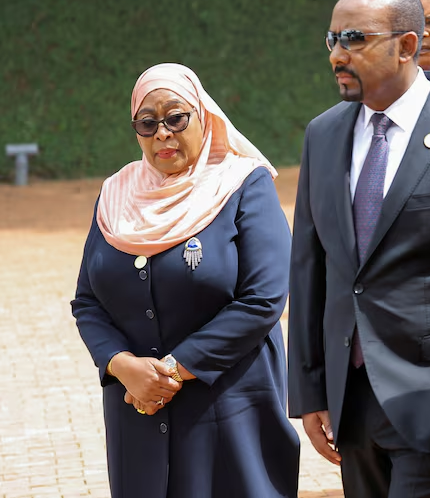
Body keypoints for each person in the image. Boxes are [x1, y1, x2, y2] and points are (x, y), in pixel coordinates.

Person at [287, 0, 430, 498]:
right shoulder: (324, 133)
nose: (337, 54)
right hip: (349, 404)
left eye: (354, 39)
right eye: (331, 40)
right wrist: (309, 389)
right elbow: (310, 267)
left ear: (406, 46)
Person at [71, 63, 299, 498]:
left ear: (203, 114)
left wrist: (171, 372)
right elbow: (87, 301)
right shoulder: (116, 194)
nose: (162, 133)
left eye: (176, 117)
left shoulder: (242, 184)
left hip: (229, 408)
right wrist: (122, 365)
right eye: (147, 122)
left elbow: (264, 298)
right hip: (135, 411)